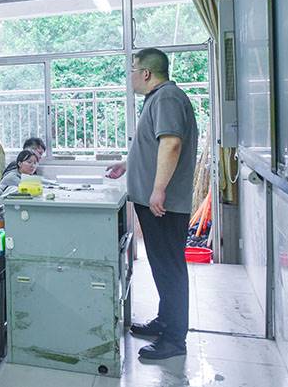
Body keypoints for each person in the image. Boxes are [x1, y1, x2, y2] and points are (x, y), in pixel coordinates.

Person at [106, 48, 198, 360]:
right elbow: (155, 147)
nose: (130, 76)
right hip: (157, 203)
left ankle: (174, 340)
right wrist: (127, 163)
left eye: (132, 69)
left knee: (169, 269)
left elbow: (171, 144)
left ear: (146, 73)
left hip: (164, 205)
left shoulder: (167, 98)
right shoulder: (158, 98)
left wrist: (158, 190)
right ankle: (165, 321)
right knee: (162, 266)